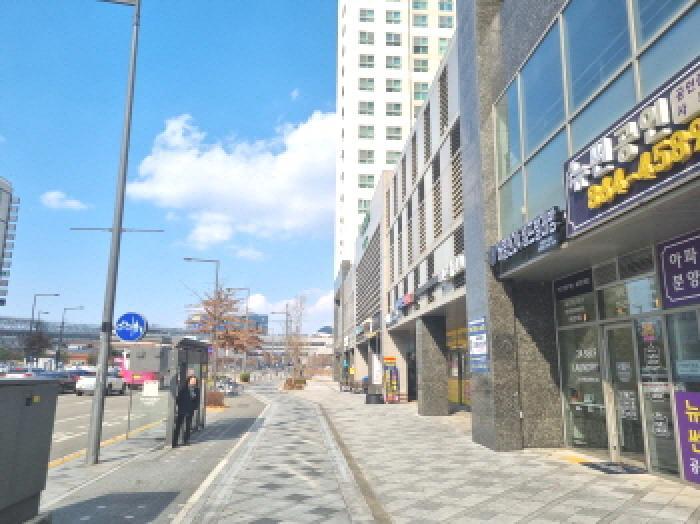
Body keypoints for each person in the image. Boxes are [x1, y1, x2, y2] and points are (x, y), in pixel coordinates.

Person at [173, 375, 200, 447]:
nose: (193, 382)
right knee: (178, 425)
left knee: (188, 426)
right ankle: (175, 441)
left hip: (190, 410)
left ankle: (186, 440)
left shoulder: (197, 389)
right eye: (192, 380)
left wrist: (194, 407)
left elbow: (197, 400)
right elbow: (178, 398)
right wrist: (179, 406)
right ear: (189, 380)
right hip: (182, 409)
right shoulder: (183, 388)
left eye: (195, 381)